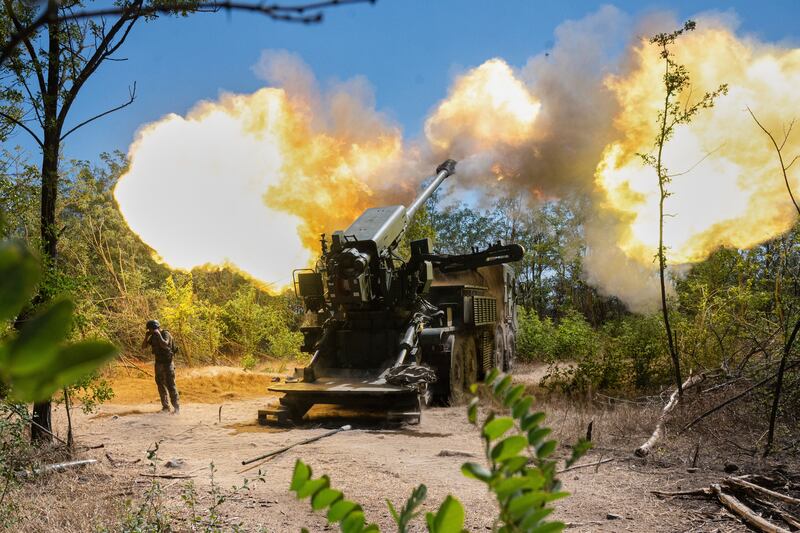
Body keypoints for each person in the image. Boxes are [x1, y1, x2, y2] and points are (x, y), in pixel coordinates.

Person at [142, 319, 180, 414]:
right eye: (149, 330)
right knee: (160, 384)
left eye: (151, 329)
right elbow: (143, 347)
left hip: (168, 363)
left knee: (170, 384)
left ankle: (176, 408)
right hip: (158, 363)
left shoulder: (165, 333)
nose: (150, 331)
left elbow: (164, 344)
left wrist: (158, 334)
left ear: (156, 328)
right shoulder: (153, 336)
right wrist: (146, 337)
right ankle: (166, 407)